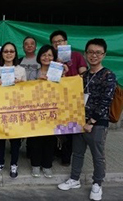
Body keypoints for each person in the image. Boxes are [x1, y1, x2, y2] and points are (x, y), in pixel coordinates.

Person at [58, 39, 116, 201]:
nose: (94, 55)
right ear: (85, 54)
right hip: (78, 121)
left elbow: (106, 101)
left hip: (96, 124)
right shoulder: (82, 76)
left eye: (98, 52)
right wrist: (63, 73)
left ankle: (97, 184)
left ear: (104, 55)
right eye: (90, 52)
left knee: (98, 155)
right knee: (77, 153)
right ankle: (74, 179)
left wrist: (91, 122)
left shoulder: (108, 75)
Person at [50, 30, 88, 166]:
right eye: (55, 42)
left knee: (71, 129)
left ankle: (66, 157)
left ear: (66, 42)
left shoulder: (77, 56)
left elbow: (84, 74)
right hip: (56, 100)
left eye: (60, 41)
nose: (57, 44)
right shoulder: (51, 59)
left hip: (73, 99)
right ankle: (55, 152)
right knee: (55, 128)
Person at [29, 45, 67, 178]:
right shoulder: (34, 72)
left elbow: (64, 89)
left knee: (50, 139)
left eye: (50, 55)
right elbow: (26, 89)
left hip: (53, 111)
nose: (46, 57)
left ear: (54, 57)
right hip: (35, 111)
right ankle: (35, 165)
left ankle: (47, 166)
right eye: (44, 55)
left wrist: (64, 75)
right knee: (35, 139)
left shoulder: (58, 72)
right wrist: (37, 82)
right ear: (39, 57)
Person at [0, 42, 26, 178]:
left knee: (15, 139)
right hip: (0, 107)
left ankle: (14, 164)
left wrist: (20, 83)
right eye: (6, 51)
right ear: (1, 54)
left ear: (15, 53)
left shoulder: (21, 70)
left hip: (15, 108)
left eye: (11, 51)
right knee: (0, 138)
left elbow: (26, 90)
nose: (9, 54)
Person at [18, 36, 41, 159]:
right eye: (26, 44)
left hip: (37, 98)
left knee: (34, 125)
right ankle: (16, 146)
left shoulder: (41, 60)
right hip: (21, 98)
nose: (29, 46)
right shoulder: (19, 61)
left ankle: (31, 150)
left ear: (36, 46)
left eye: (32, 43)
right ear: (23, 47)